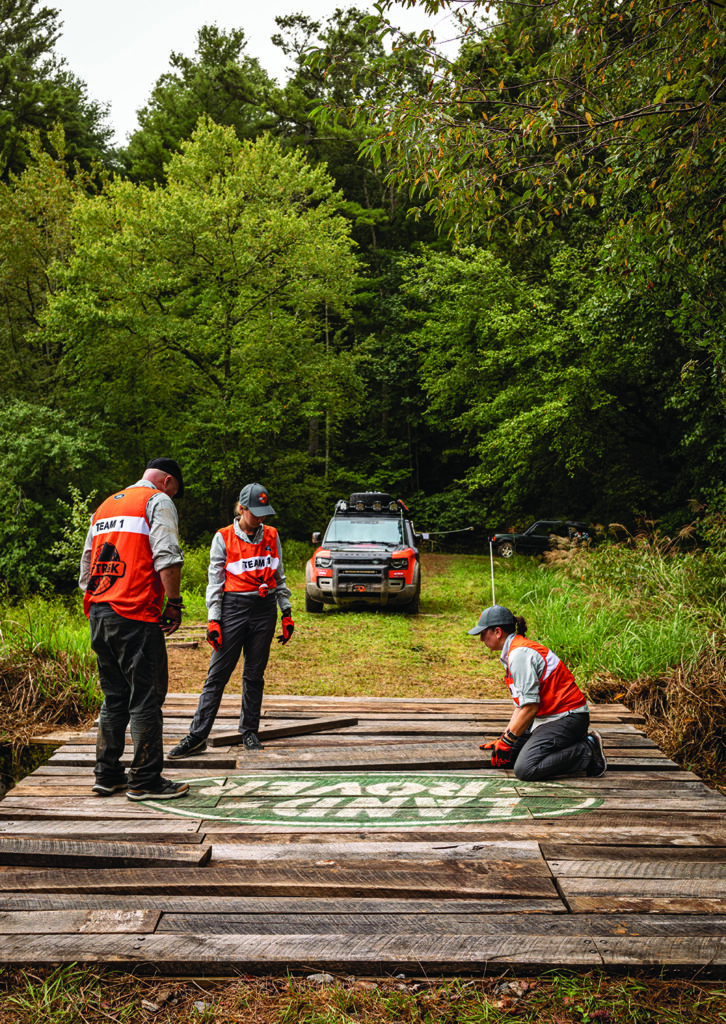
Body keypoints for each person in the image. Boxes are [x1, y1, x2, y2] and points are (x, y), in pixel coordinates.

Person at [79, 457, 189, 802]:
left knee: (114, 697)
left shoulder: (105, 507)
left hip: (100, 612)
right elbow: (168, 555)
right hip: (136, 615)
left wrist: (102, 599)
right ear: (168, 482)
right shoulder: (157, 501)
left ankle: (107, 774)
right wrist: (173, 603)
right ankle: (144, 779)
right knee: (145, 698)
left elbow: (85, 568)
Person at [169, 482, 293, 758]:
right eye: (255, 512)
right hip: (233, 609)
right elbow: (215, 581)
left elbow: (279, 575)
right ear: (242, 508)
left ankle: (249, 731)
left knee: (254, 675)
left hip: (264, 608)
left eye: (264, 512)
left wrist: (286, 611)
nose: (260, 518)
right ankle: (197, 735)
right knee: (217, 675)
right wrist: (214, 619)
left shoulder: (272, 535)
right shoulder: (223, 537)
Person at [469, 604, 607, 781]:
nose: (481, 639)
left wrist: (508, 740)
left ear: (497, 632)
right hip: (545, 717)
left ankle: (587, 749)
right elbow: (521, 706)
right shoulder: (511, 653)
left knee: (525, 769)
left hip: (568, 717)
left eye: (483, 634)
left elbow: (531, 708)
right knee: (505, 759)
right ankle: (563, 745)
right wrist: (504, 738)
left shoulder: (519, 654)